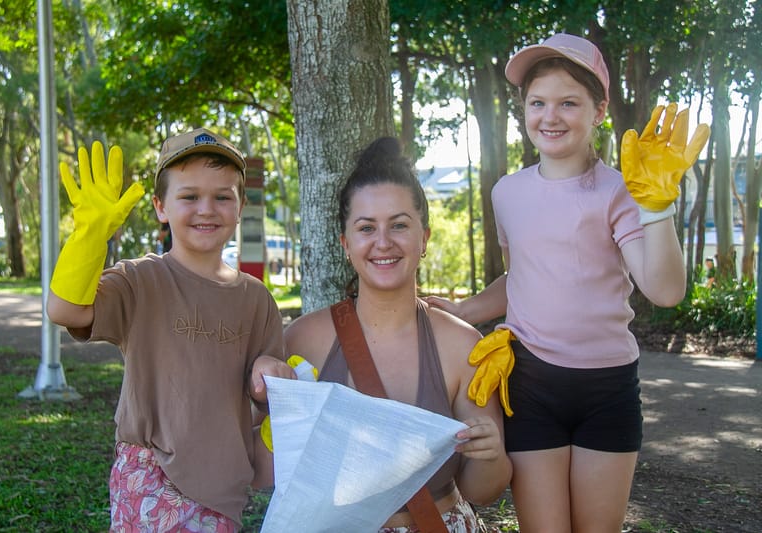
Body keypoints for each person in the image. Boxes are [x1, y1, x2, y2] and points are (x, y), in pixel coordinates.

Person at [425, 34, 709, 532]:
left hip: (608, 389)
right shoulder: (507, 193)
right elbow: (522, 275)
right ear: (523, 109)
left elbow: (664, 291)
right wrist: (462, 310)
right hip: (532, 386)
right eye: (537, 102)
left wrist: (657, 207)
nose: (550, 116)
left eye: (569, 103)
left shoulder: (625, 189)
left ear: (599, 111)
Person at [46, 128, 293, 532]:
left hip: (222, 484)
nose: (206, 209)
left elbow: (264, 392)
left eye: (222, 197)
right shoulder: (139, 280)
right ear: (160, 207)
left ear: (241, 206)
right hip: (148, 477)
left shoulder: (257, 298)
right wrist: (89, 236)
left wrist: (269, 373)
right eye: (189, 196)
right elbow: (65, 310)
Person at [283, 136, 512, 532]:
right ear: (346, 244)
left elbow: (482, 490)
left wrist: (490, 455)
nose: (383, 242)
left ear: (424, 238)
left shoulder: (463, 346)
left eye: (399, 225)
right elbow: (267, 464)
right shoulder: (303, 341)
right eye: (366, 228)